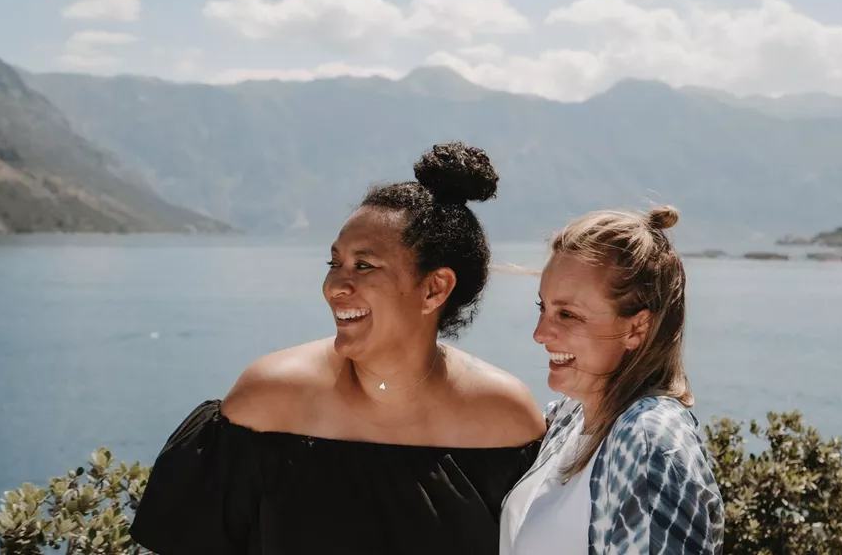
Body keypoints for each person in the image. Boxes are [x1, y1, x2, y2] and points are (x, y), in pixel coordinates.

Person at [129, 142, 547, 555]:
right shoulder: (268, 400)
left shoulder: (504, 417)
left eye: (364, 266)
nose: (334, 287)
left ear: (434, 288)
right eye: (334, 264)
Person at [499, 205, 725, 555]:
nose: (540, 333)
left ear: (636, 328)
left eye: (568, 314)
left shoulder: (649, 441)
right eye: (542, 308)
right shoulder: (571, 420)